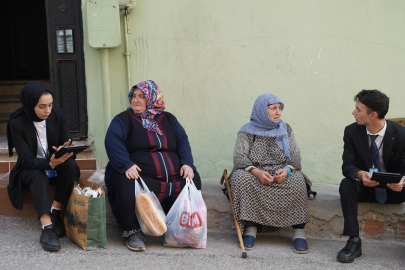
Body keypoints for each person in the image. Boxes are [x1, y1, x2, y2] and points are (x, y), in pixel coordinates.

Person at [104, 80, 201, 252]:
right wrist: (126, 164)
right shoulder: (123, 120)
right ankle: (132, 231)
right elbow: (113, 142)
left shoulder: (168, 119)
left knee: (193, 177)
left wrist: (187, 163)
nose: (136, 100)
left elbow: (182, 141)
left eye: (141, 97)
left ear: (153, 98)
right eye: (133, 96)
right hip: (143, 177)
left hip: (171, 176)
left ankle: (180, 229)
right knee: (125, 178)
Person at [229, 93, 310, 254]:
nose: (278, 112)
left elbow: (295, 158)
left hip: (281, 171)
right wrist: (257, 172)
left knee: (298, 180)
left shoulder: (285, 129)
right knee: (240, 178)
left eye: (279, 108)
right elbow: (239, 158)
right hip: (254, 171)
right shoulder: (246, 131)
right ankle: (250, 229)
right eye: (273, 108)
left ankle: (299, 232)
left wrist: (286, 171)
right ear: (261, 110)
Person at [7, 81, 80, 251]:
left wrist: (65, 149)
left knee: (69, 165)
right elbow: (26, 160)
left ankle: (56, 212)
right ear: (30, 104)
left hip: (55, 165)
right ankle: (47, 228)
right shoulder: (16, 124)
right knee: (37, 174)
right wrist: (49, 163)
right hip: (30, 169)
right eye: (42, 106)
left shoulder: (57, 115)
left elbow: (66, 141)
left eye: (50, 105)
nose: (47, 110)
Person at [337, 90, 405, 263]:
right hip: (366, 187)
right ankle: (353, 241)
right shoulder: (352, 131)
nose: (354, 113)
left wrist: (402, 181)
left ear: (372, 114)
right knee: (346, 184)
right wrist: (361, 174)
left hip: (395, 190)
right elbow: (347, 165)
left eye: (358, 109)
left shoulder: (401, 134)